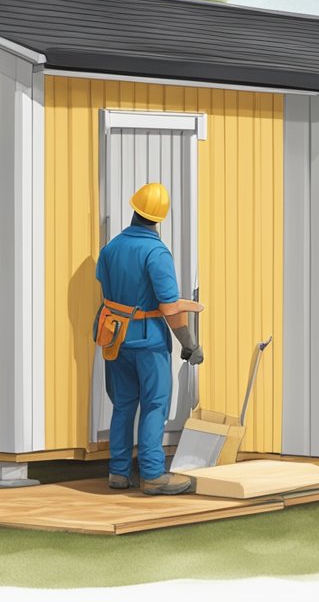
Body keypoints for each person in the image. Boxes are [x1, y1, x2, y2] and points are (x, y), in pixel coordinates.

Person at [95, 183, 205, 496]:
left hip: (114, 336)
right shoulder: (156, 252)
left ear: (134, 208)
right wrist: (189, 344)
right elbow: (169, 307)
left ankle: (118, 471)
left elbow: (107, 288)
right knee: (155, 404)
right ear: (159, 218)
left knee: (123, 404)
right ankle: (154, 474)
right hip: (148, 341)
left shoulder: (111, 248)